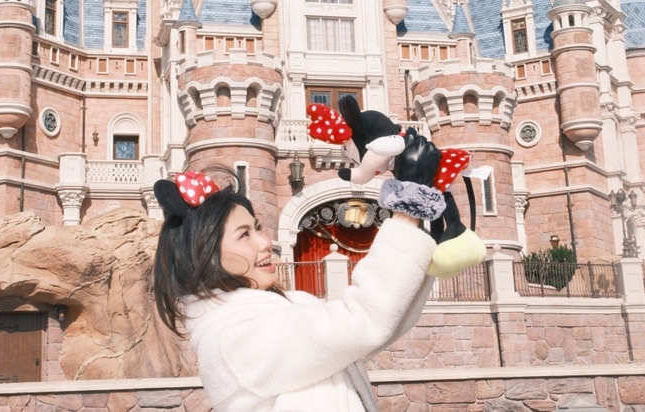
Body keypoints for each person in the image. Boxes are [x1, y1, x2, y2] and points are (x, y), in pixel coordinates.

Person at [152, 138, 452, 411]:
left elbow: (375, 329)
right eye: (244, 235)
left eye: (257, 228)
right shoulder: (232, 336)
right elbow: (361, 321)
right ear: (204, 254)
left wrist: (421, 236)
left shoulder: (282, 308)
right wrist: (409, 204)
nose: (265, 242)